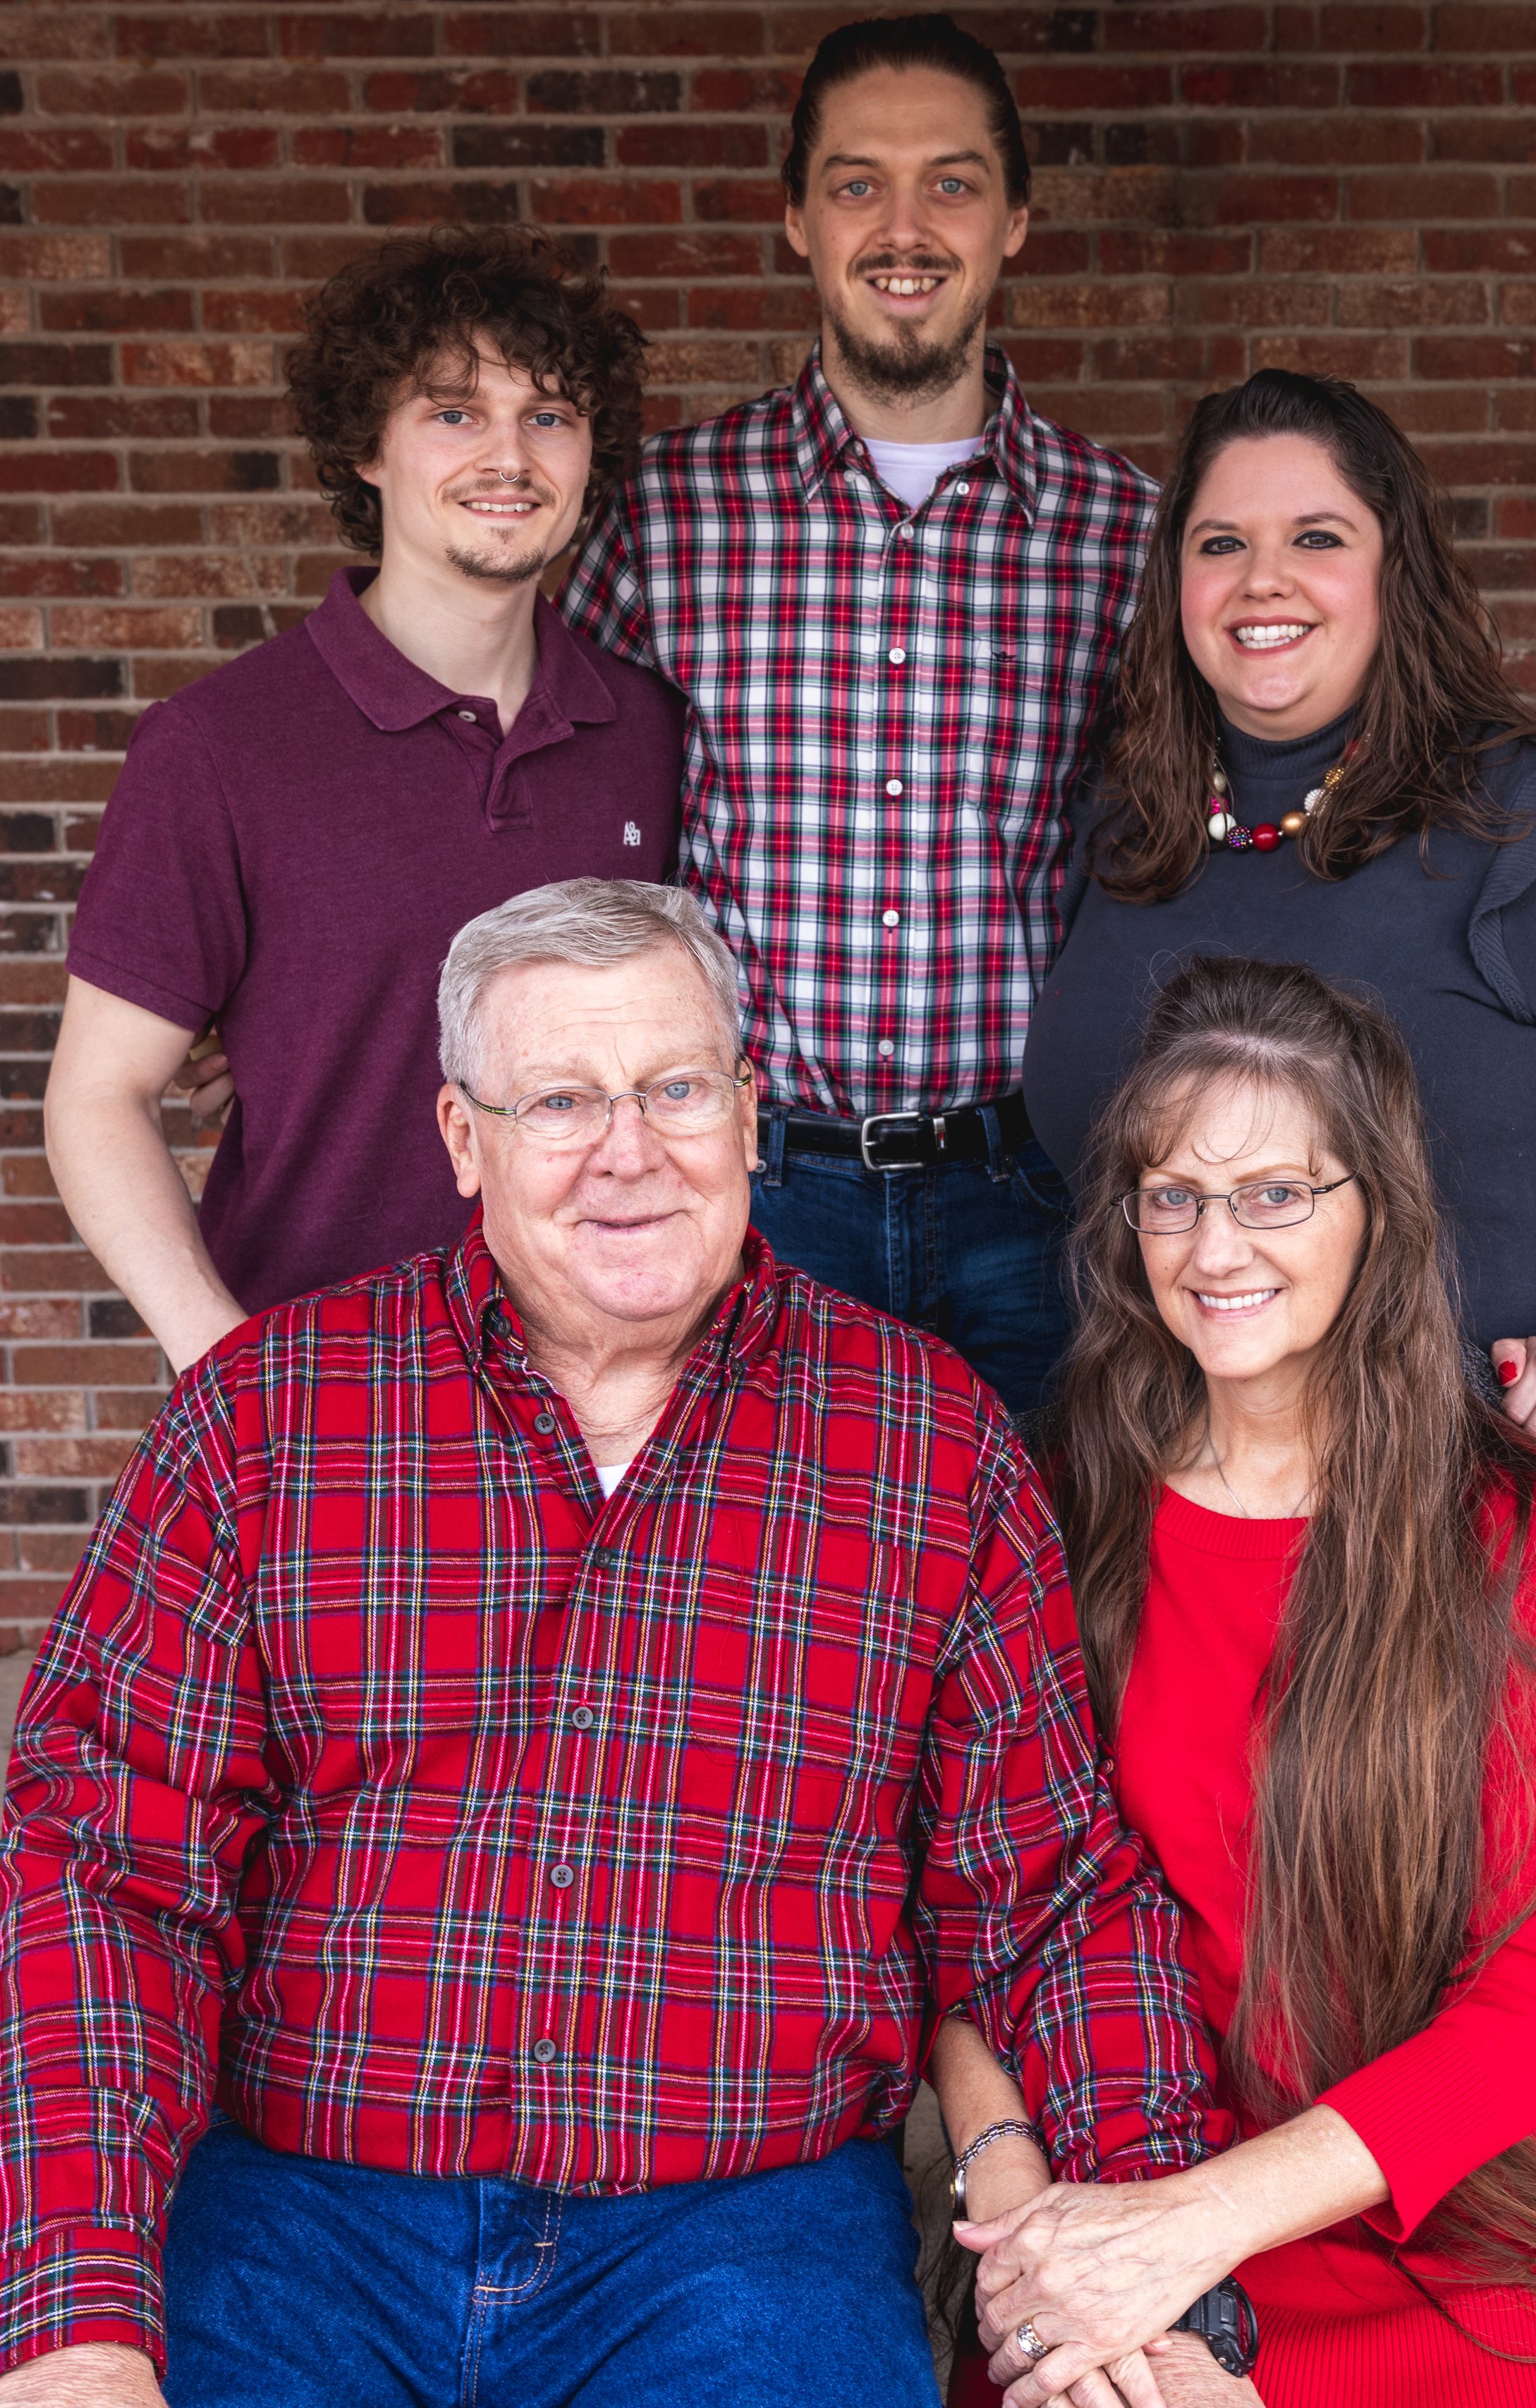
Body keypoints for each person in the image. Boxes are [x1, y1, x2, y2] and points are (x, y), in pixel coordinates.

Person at [0, 879, 1229, 2408]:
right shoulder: (264, 1423)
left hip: (738, 2235)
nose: (627, 1152)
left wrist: (1169, 2281)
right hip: (307, 2216)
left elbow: (1045, 1897)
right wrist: (78, 2327)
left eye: (674, 1089)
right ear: (463, 1139)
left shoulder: (927, 1447)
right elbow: (102, 1872)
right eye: (561, 1100)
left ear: (751, 1114)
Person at [941, 954, 1536, 2408]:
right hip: (1159, 2150)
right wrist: (1030, 2224)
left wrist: (1189, 2235)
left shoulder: (1509, 1528)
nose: (1213, 1244)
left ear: (1371, 1210)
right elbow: (980, 1906)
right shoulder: (1063, 1508)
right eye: (1172, 1194)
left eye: (1274, 1193)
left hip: (1496, 2198)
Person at [563, 13, 1159, 1419]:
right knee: (765, 1617)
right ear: (794, 219)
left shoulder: (1124, 532)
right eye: (856, 184)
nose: (905, 226)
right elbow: (532, 805)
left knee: (1042, 1602)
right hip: (756, 1192)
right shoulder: (664, 515)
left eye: (950, 182)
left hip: (1041, 1194)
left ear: (1015, 220)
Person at [1022, 369, 1536, 1458]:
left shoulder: (1534, 828)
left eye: (1317, 537)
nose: (1261, 581)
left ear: (1393, 570)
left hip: (1460, 1492)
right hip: (1155, 1486)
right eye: (1220, 543)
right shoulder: (1127, 833)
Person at [44, 228, 683, 1373]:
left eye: (548, 416)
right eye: (453, 413)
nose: (509, 455)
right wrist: (225, 1374)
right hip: (322, 1400)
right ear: (367, 449)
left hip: (607, 1391)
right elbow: (99, 1099)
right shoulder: (218, 746)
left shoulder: (645, 733)